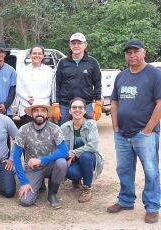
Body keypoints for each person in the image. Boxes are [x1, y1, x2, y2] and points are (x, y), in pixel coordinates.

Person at [107, 39, 161, 224]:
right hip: (122, 134)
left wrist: (148, 130)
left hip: (145, 134)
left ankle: (152, 207)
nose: (132, 55)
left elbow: (160, 104)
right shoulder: (121, 76)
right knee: (124, 169)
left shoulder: (155, 74)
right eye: (128, 52)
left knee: (151, 170)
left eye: (135, 51)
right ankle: (126, 200)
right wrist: (115, 127)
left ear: (144, 52)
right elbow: (114, 103)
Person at [13, 100, 68, 208]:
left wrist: (41, 160)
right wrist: (24, 182)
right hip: (32, 168)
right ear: (31, 114)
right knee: (25, 201)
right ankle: (39, 183)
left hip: (50, 165)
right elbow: (16, 156)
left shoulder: (55, 128)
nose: (39, 113)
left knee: (61, 163)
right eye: (36, 110)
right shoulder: (23, 129)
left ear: (47, 114)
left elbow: (64, 152)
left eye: (43, 110)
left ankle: (52, 194)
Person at [53, 32, 102, 125]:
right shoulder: (62, 62)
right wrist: (55, 104)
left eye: (79, 43)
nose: (76, 46)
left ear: (85, 45)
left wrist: (98, 102)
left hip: (85, 106)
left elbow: (98, 84)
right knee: (63, 134)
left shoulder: (93, 62)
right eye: (73, 43)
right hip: (65, 106)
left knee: (85, 135)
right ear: (70, 45)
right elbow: (56, 84)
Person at [61, 97, 102, 203]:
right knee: (71, 173)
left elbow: (93, 146)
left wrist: (75, 152)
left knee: (86, 156)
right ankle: (76, 179)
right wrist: (68, 154)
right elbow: (62, 147)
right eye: (74, 107)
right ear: (70, 110)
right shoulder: (64, 127)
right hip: (73, 159)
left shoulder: (91, 124)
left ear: (85, 110)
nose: (77, 110)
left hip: (89, 158)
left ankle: (87, 189)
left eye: (80, 107)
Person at [16, 45, 54, 126]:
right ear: (30, 55)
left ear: (43, 56)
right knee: (27, 135)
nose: (37, 55)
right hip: (26, 107)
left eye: (39, 53)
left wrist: (36, 101)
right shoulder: (22, 71)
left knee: (43, 134)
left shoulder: (49, 71)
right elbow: (18, 88)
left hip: (43, 108)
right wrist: (27, 99)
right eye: (34, 53)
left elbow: (50, 89)